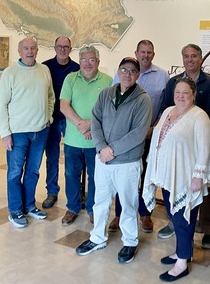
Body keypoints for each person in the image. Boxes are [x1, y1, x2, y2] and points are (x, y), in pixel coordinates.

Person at [75, 57, 152, 264]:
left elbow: (138, 133)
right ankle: (97, 238)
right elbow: (95, 120)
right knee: (99, 202)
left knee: (127, 204)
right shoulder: (106, 94)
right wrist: (101, 147)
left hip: (127, 162)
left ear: (137, 75)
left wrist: (112, 150)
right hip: (103, 159)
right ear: (118, 72)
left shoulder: (142, 100)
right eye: (124, 70)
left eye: (132, 71)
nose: (127, 74)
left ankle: (130, 241)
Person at [143, 78, 210, 282]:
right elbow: (159, 139)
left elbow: (205, 149)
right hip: (168, 176)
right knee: (175, 217)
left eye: (186, 93)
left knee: (184, 219)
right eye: (178, 93)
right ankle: (182, 251)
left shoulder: (199, 116)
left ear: (194, 94)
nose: (181, 96)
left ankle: (182, 263)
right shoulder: (168, 111)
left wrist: (198, 177)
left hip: (186, 177)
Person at [158, 44, 210, 250]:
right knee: (174, 183)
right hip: (178, 142)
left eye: (194, 56)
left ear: (201, 59)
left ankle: (208, 228)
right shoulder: (173, 82)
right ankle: (175, 223)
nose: (190, 59)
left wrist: (191, 126)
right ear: (182, 58)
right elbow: (167, 108)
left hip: (200, 142)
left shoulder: (209, 84)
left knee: (202, 186)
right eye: (186, 56)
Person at [109, 40, 170, 233]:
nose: (145, 55)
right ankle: (119, 214)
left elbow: (166, 106)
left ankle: (145, 214)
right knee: (123, 176)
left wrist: (155, 127)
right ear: (136, 53)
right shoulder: (121, 75)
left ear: (153, 54)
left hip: (150, 135)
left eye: (149, 52)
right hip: (125, 138)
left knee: (146, 176)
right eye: (142, 52)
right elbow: (113, 103)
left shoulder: (162, 76)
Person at [0, 37, 55, 228]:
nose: (30, 51)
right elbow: (1, 105)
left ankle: (29, 205)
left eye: (33, 48)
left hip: (40, 131)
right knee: (14, 172)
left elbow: (50, 97)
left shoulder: (44, 70)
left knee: (32, 172)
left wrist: (48, 117)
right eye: (26, 48)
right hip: (17, 133)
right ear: (19, 51)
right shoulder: (10, 73)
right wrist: (5, 133)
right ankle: (15, 210)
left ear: (37, 51)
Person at [59, 46, 112, 226]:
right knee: (71, 174)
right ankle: (72, 207)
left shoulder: (108, 81)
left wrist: (91, 124)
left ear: (98, 62)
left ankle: (92, 209)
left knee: (95, 177)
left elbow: (110, 110)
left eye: (92, 60)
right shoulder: (71, 79)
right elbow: (64, 106)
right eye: (84, 60)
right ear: (79, 62)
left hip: (97, 142)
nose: (88, 63)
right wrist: (81, 124)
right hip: (73, 139)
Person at [41, 36, 80, 209]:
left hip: (71, 118)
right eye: (59, 46)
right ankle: (52, 191)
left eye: (66, 46)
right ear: (55, 48)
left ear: (71, 49)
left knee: (75, 157)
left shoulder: (77, 69)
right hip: (52, 119)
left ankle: (78, 192)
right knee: (52, 157)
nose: (63, 49)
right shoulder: (45, 67)